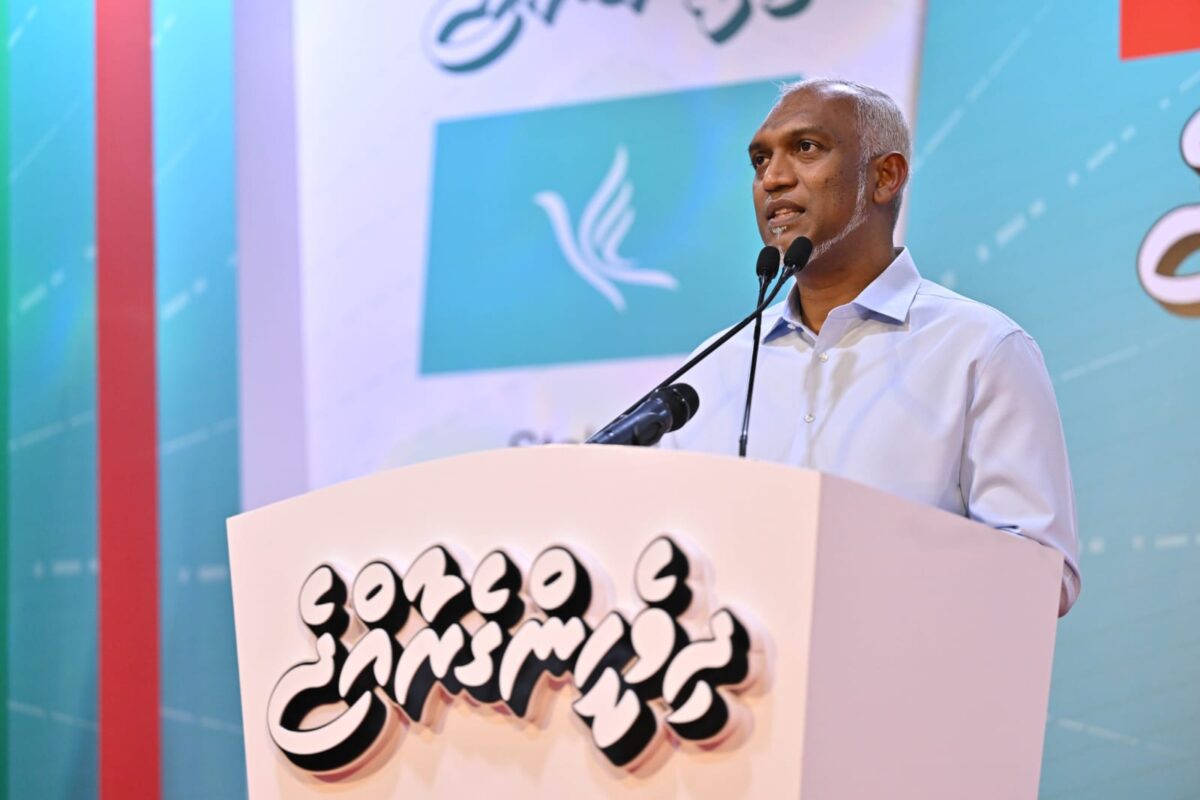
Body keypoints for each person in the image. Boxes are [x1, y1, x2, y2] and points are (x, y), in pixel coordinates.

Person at [665, 78, 1081, 615]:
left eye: (805, 148)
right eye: (760, 160)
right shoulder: (713, 369)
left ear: (885, 177)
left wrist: (867, 571)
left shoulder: (980, 349)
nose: (773, 178)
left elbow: (1042, 575)